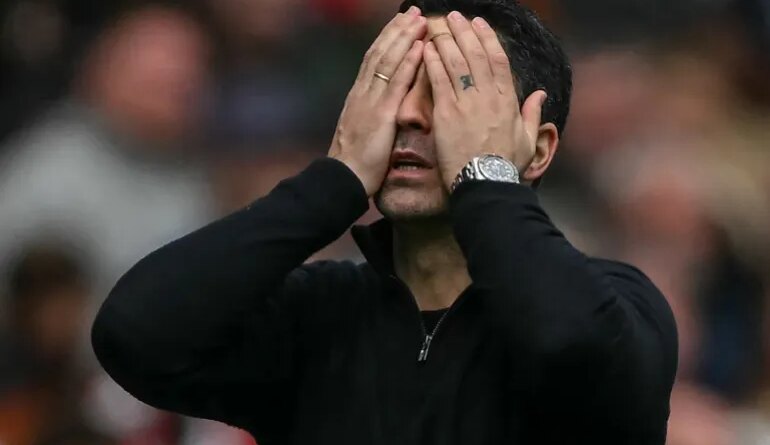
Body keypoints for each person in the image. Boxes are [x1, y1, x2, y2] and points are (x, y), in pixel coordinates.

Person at [91, 1, 678, 443]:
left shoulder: (622, 305)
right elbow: (135, 335)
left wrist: (485, 172)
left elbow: (571, 344)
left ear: (538, 148)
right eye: (394, 88)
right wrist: (337, 178)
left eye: (454, 95)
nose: (408, 116)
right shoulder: (314, 314)